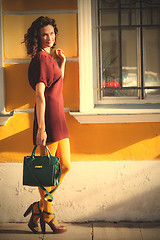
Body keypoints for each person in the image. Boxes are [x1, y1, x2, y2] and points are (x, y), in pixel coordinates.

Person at [22, 16, 71, 234]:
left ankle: (37, 207)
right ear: (37, 37)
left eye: (52, 33)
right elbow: (40, 95)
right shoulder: (41, 59)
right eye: (44, 34)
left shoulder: (49, 58)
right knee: (47, 172)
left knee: (65, 165)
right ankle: (48, 212)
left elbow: (56, 85)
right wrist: (41, 129)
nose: (49, 38)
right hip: (48, 120)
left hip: (59, 117)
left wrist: (62, 64)